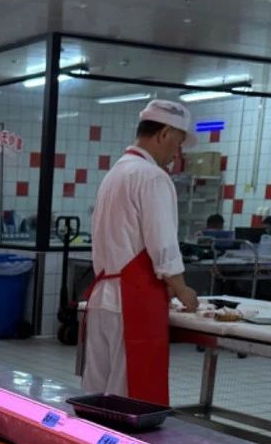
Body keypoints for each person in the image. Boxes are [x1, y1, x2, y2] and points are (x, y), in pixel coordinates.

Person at [84, 99, 200, 402]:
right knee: (129, 397)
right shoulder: (152, 176)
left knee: (97, 394)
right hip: (132, 300)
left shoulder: (116, 173)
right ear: (164, 133)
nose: (177, 153)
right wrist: (181, 288)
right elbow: (162, 243)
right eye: (178, 143)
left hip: (104, 297)